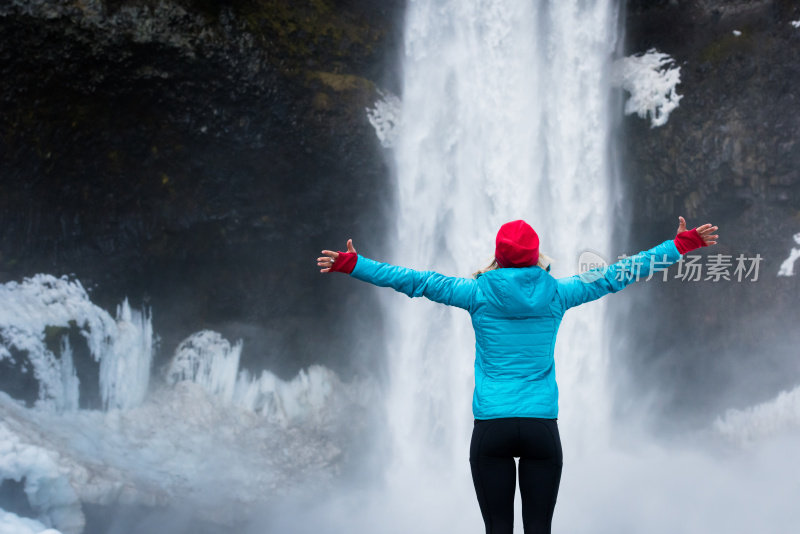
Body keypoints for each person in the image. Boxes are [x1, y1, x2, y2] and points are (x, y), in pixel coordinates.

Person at [317, 216, 718, 534]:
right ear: (536, 255)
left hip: (492, 426)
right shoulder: (561, 292)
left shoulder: (474, 293)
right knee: (539, 528)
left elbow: (416, 282)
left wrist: (355, 264)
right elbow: (619, 274)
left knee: (497, 529)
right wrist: (681, 244)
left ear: (498, 255)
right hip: (542, 427)